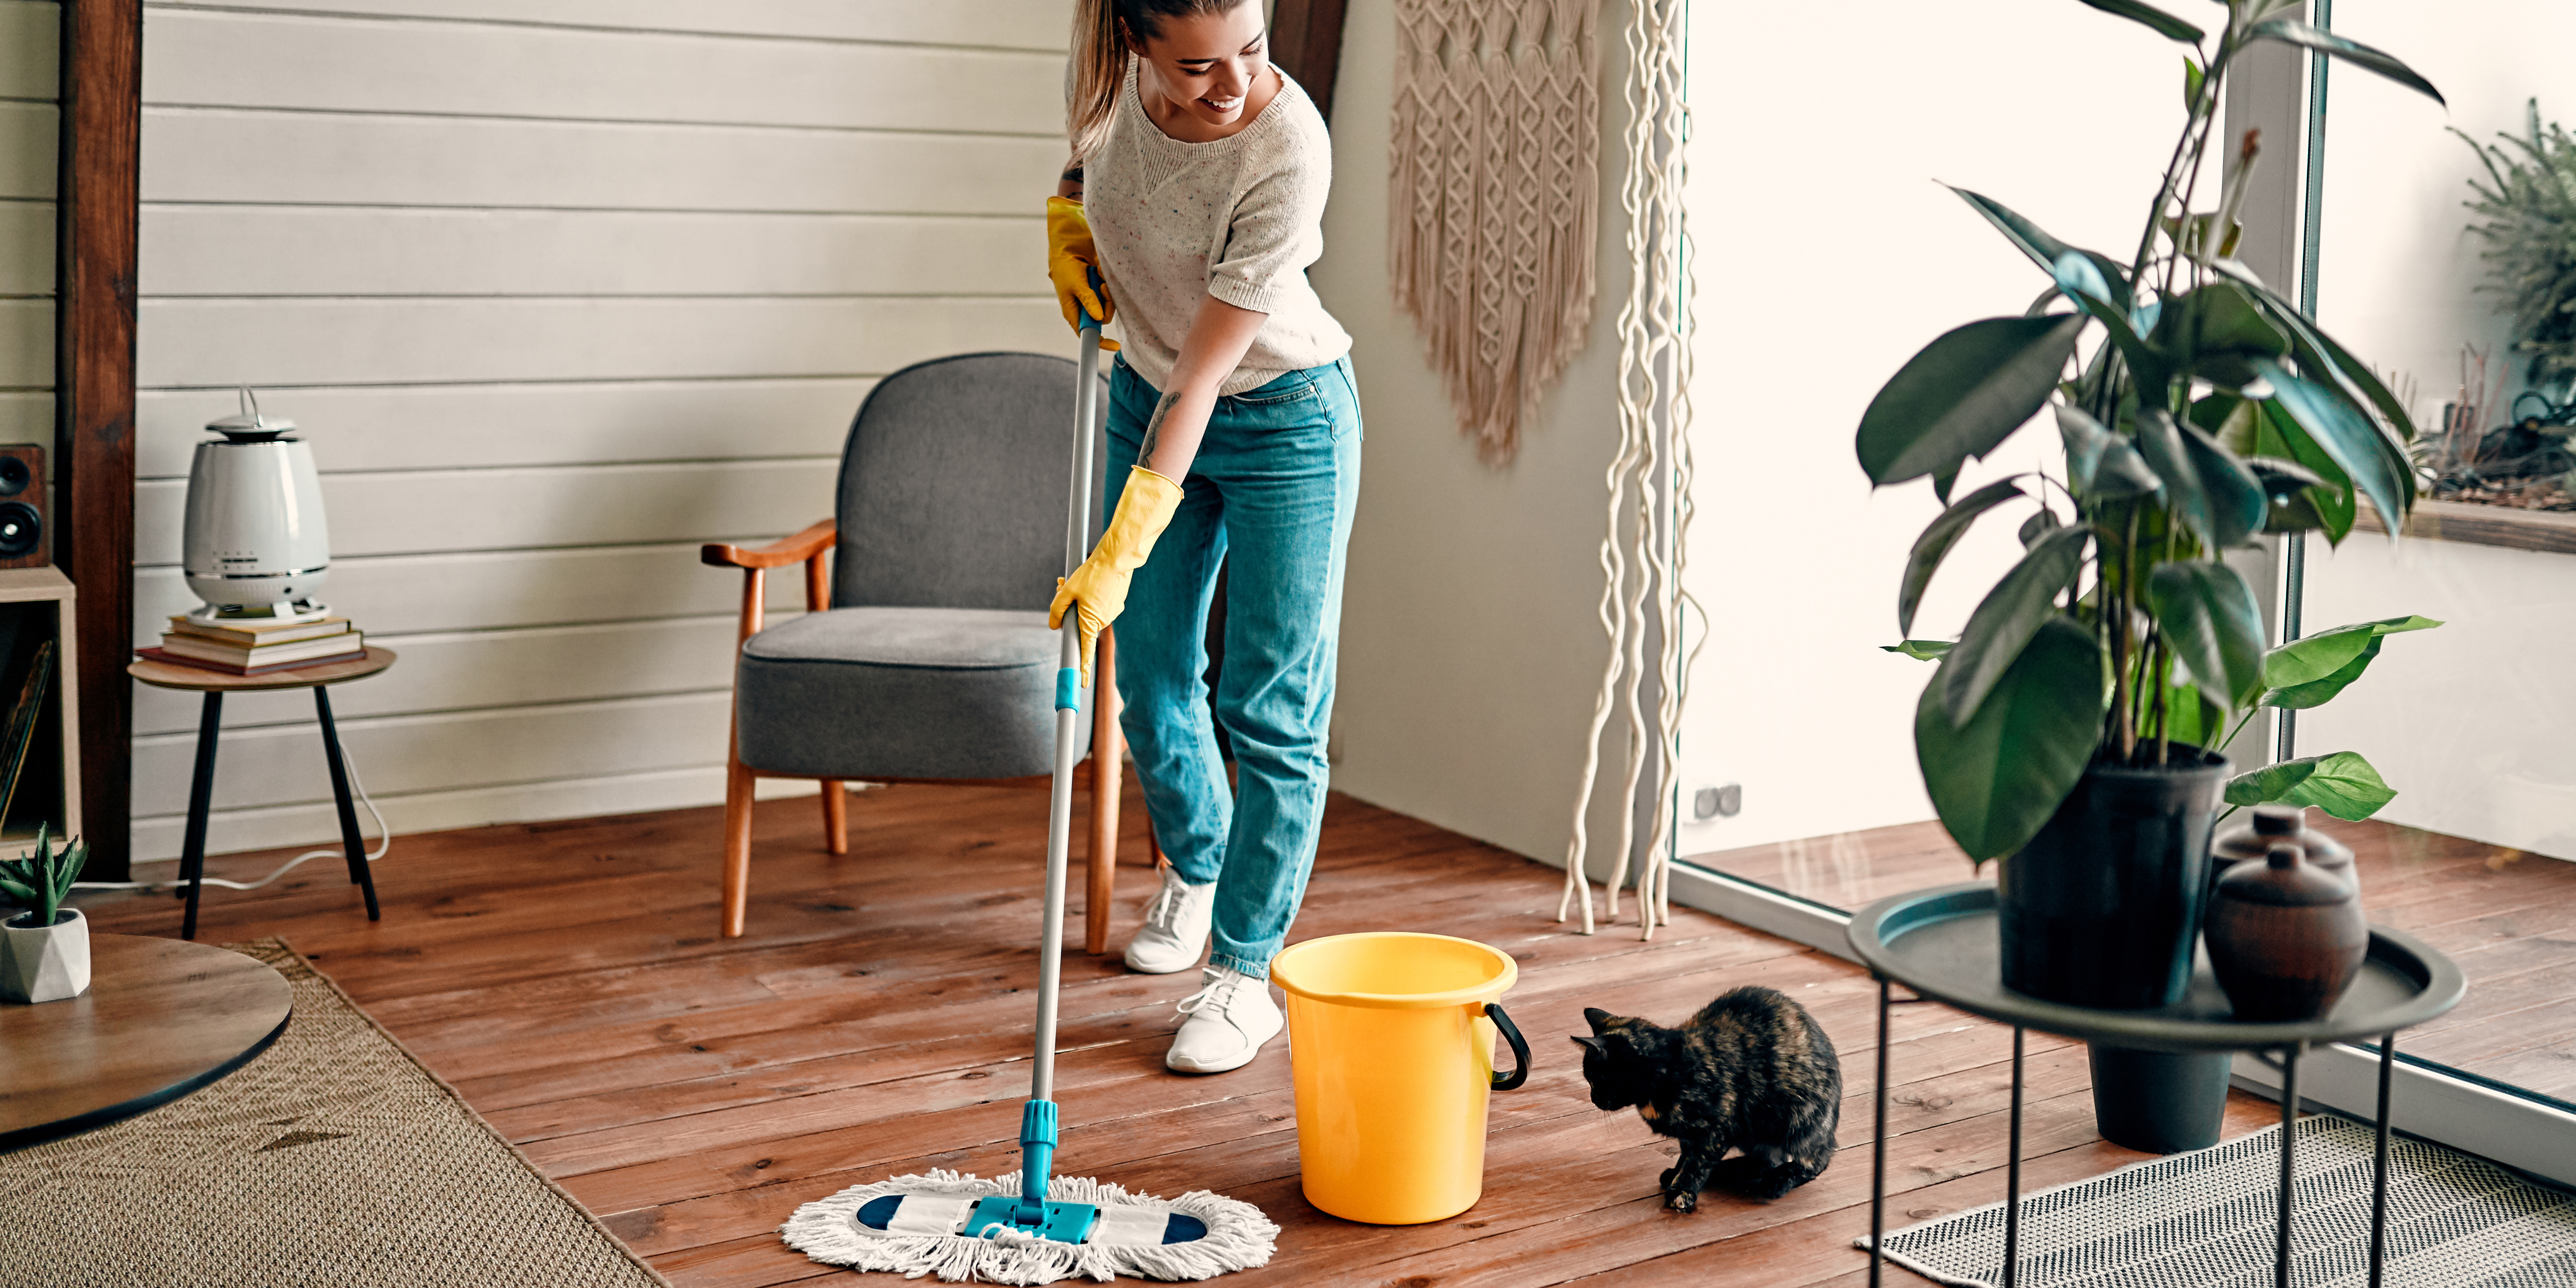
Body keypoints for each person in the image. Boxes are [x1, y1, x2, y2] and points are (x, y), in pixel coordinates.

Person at [1045, 0, 1360, 1075]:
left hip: (1282, 417)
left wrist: (1119, 548)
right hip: (1146, 393)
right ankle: (1200, 861)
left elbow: (1206, 376)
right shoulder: (1107, 84)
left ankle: (1244, 970)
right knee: (1154, 679)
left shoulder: (1289, 147)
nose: (1232, 86)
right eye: (1197, 66)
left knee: (1269, 704)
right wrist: (1067, 227)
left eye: (1253, 53)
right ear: (1137, 46)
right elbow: (1090, 172)